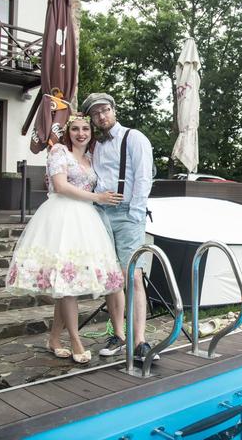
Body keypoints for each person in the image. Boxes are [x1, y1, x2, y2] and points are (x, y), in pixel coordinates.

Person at [6, 113, 124, 364]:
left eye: (86, 129)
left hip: (86, 220)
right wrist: (98, 198)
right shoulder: (59, 151)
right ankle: (75, 340)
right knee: (67, 283)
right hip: (62, 217)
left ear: (91, 133)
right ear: (68, 133)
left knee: (67, 284)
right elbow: (60, 186)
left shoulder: (91, 157)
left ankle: (54, 339)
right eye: (75, 129)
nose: (81, 134)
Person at [81, 93, 156, 360]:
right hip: (100, 213)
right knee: (110, 277)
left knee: (133, 275)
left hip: (127, 213)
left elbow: (144, 177)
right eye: (96, 113)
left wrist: (135, 214)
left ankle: (140, 341)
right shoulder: (94, 144)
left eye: (105, 110)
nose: (101, 116)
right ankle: (119, 336)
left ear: (114, 110)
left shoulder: (134, 137)